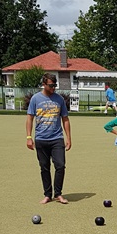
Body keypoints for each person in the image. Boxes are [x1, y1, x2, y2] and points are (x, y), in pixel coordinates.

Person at [26, 73, 72, 204]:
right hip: (41, 139)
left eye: (55, 85)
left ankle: (58, 194)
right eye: (51, 85)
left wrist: (69, 138)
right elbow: (29, 118)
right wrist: (29, 137)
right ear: (44, 84)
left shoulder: (60, 100)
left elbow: (65, 119)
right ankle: (47, 194)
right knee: (44, 168)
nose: (53, 88)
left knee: (60, 166)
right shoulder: (36, 99)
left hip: (57, 138)